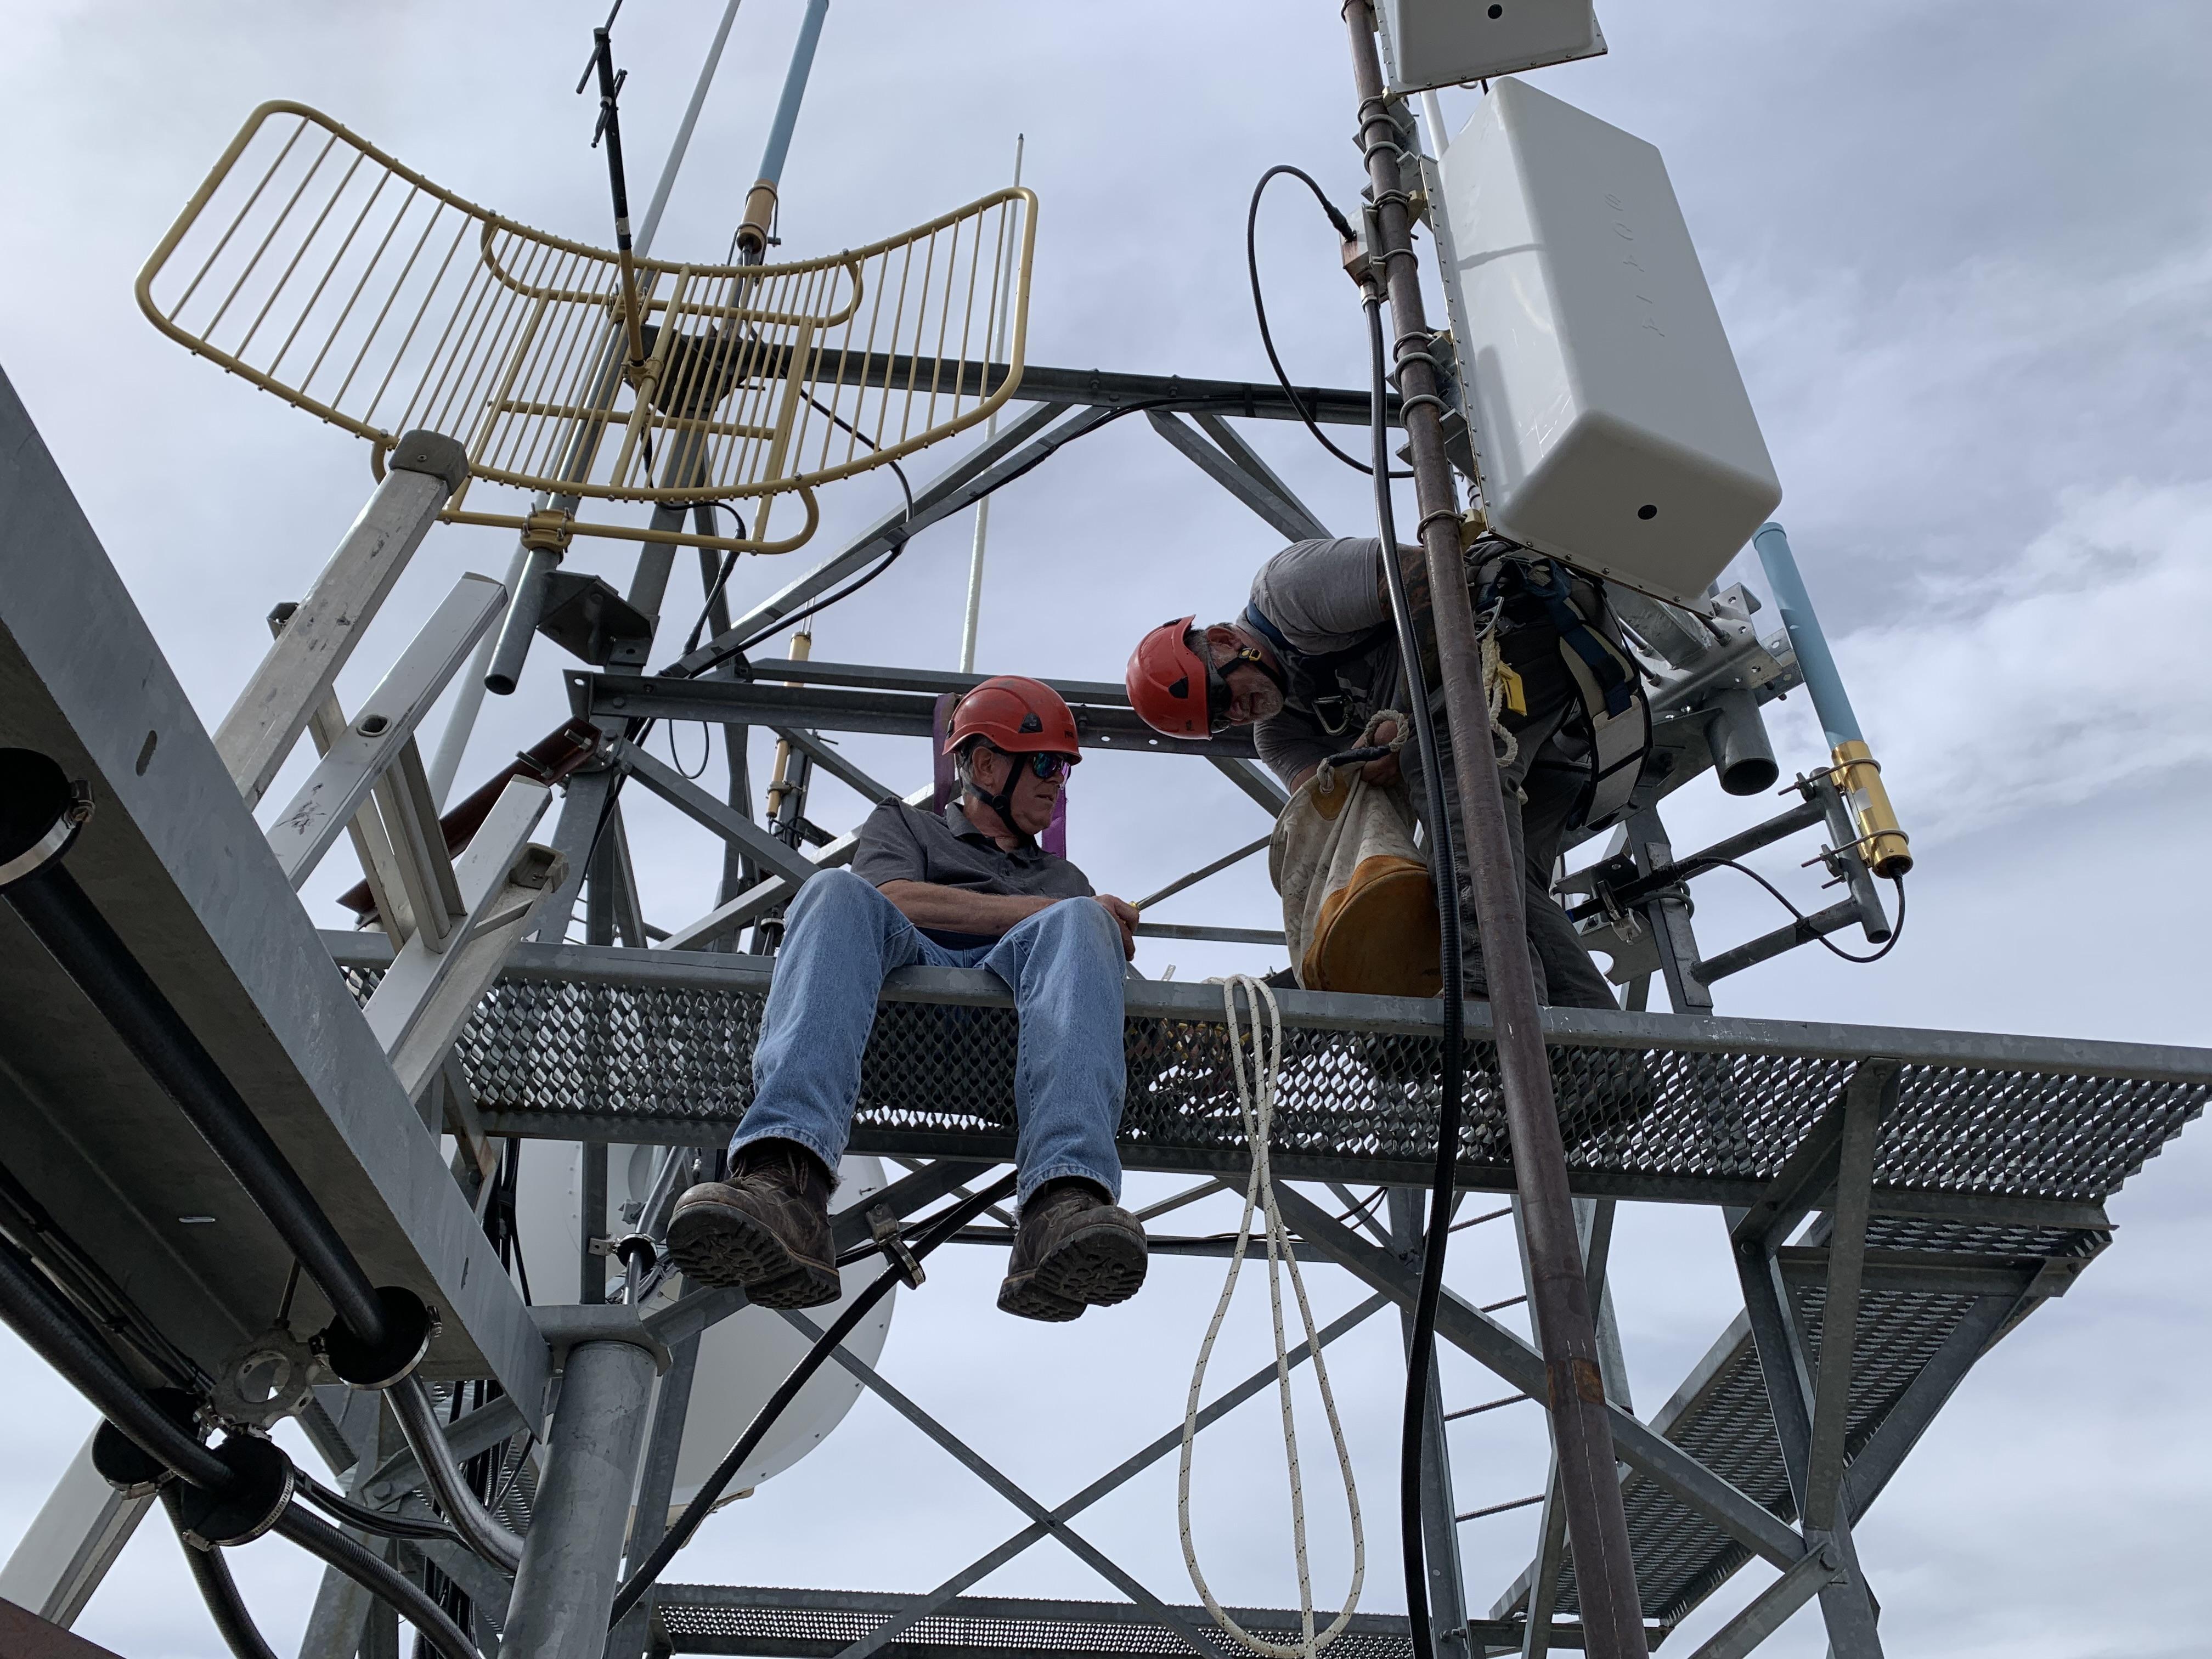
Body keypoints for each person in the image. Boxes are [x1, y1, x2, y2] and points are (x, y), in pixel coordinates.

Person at [668, 675, 1149, 1322]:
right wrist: (1057, 909)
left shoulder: (1066, 882)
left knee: (1083, 923)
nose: (1055, 782)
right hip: (897, 1015)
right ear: (984, 764)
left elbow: (1076, 953)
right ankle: (786, 1181)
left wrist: (1092, 930)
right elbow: (893, 898)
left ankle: (1062, 1204)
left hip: (1005, 1046)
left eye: (1063, 770)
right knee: (833, 891)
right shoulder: (908, 827)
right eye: (1042, 763)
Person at [1125, 536, 1647, 1011]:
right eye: (1220, 721)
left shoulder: (1287, 593)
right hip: (1524, 740)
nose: (1236, 714)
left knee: (1437, 767)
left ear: (1221, 640)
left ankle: (1486, 983)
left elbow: (1426, 575)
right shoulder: (1281, 735)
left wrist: (1401, 715)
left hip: (1517, 636)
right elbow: (1337, 817)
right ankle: (1597, 1056)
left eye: (1221, 695)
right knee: (1494, 879)